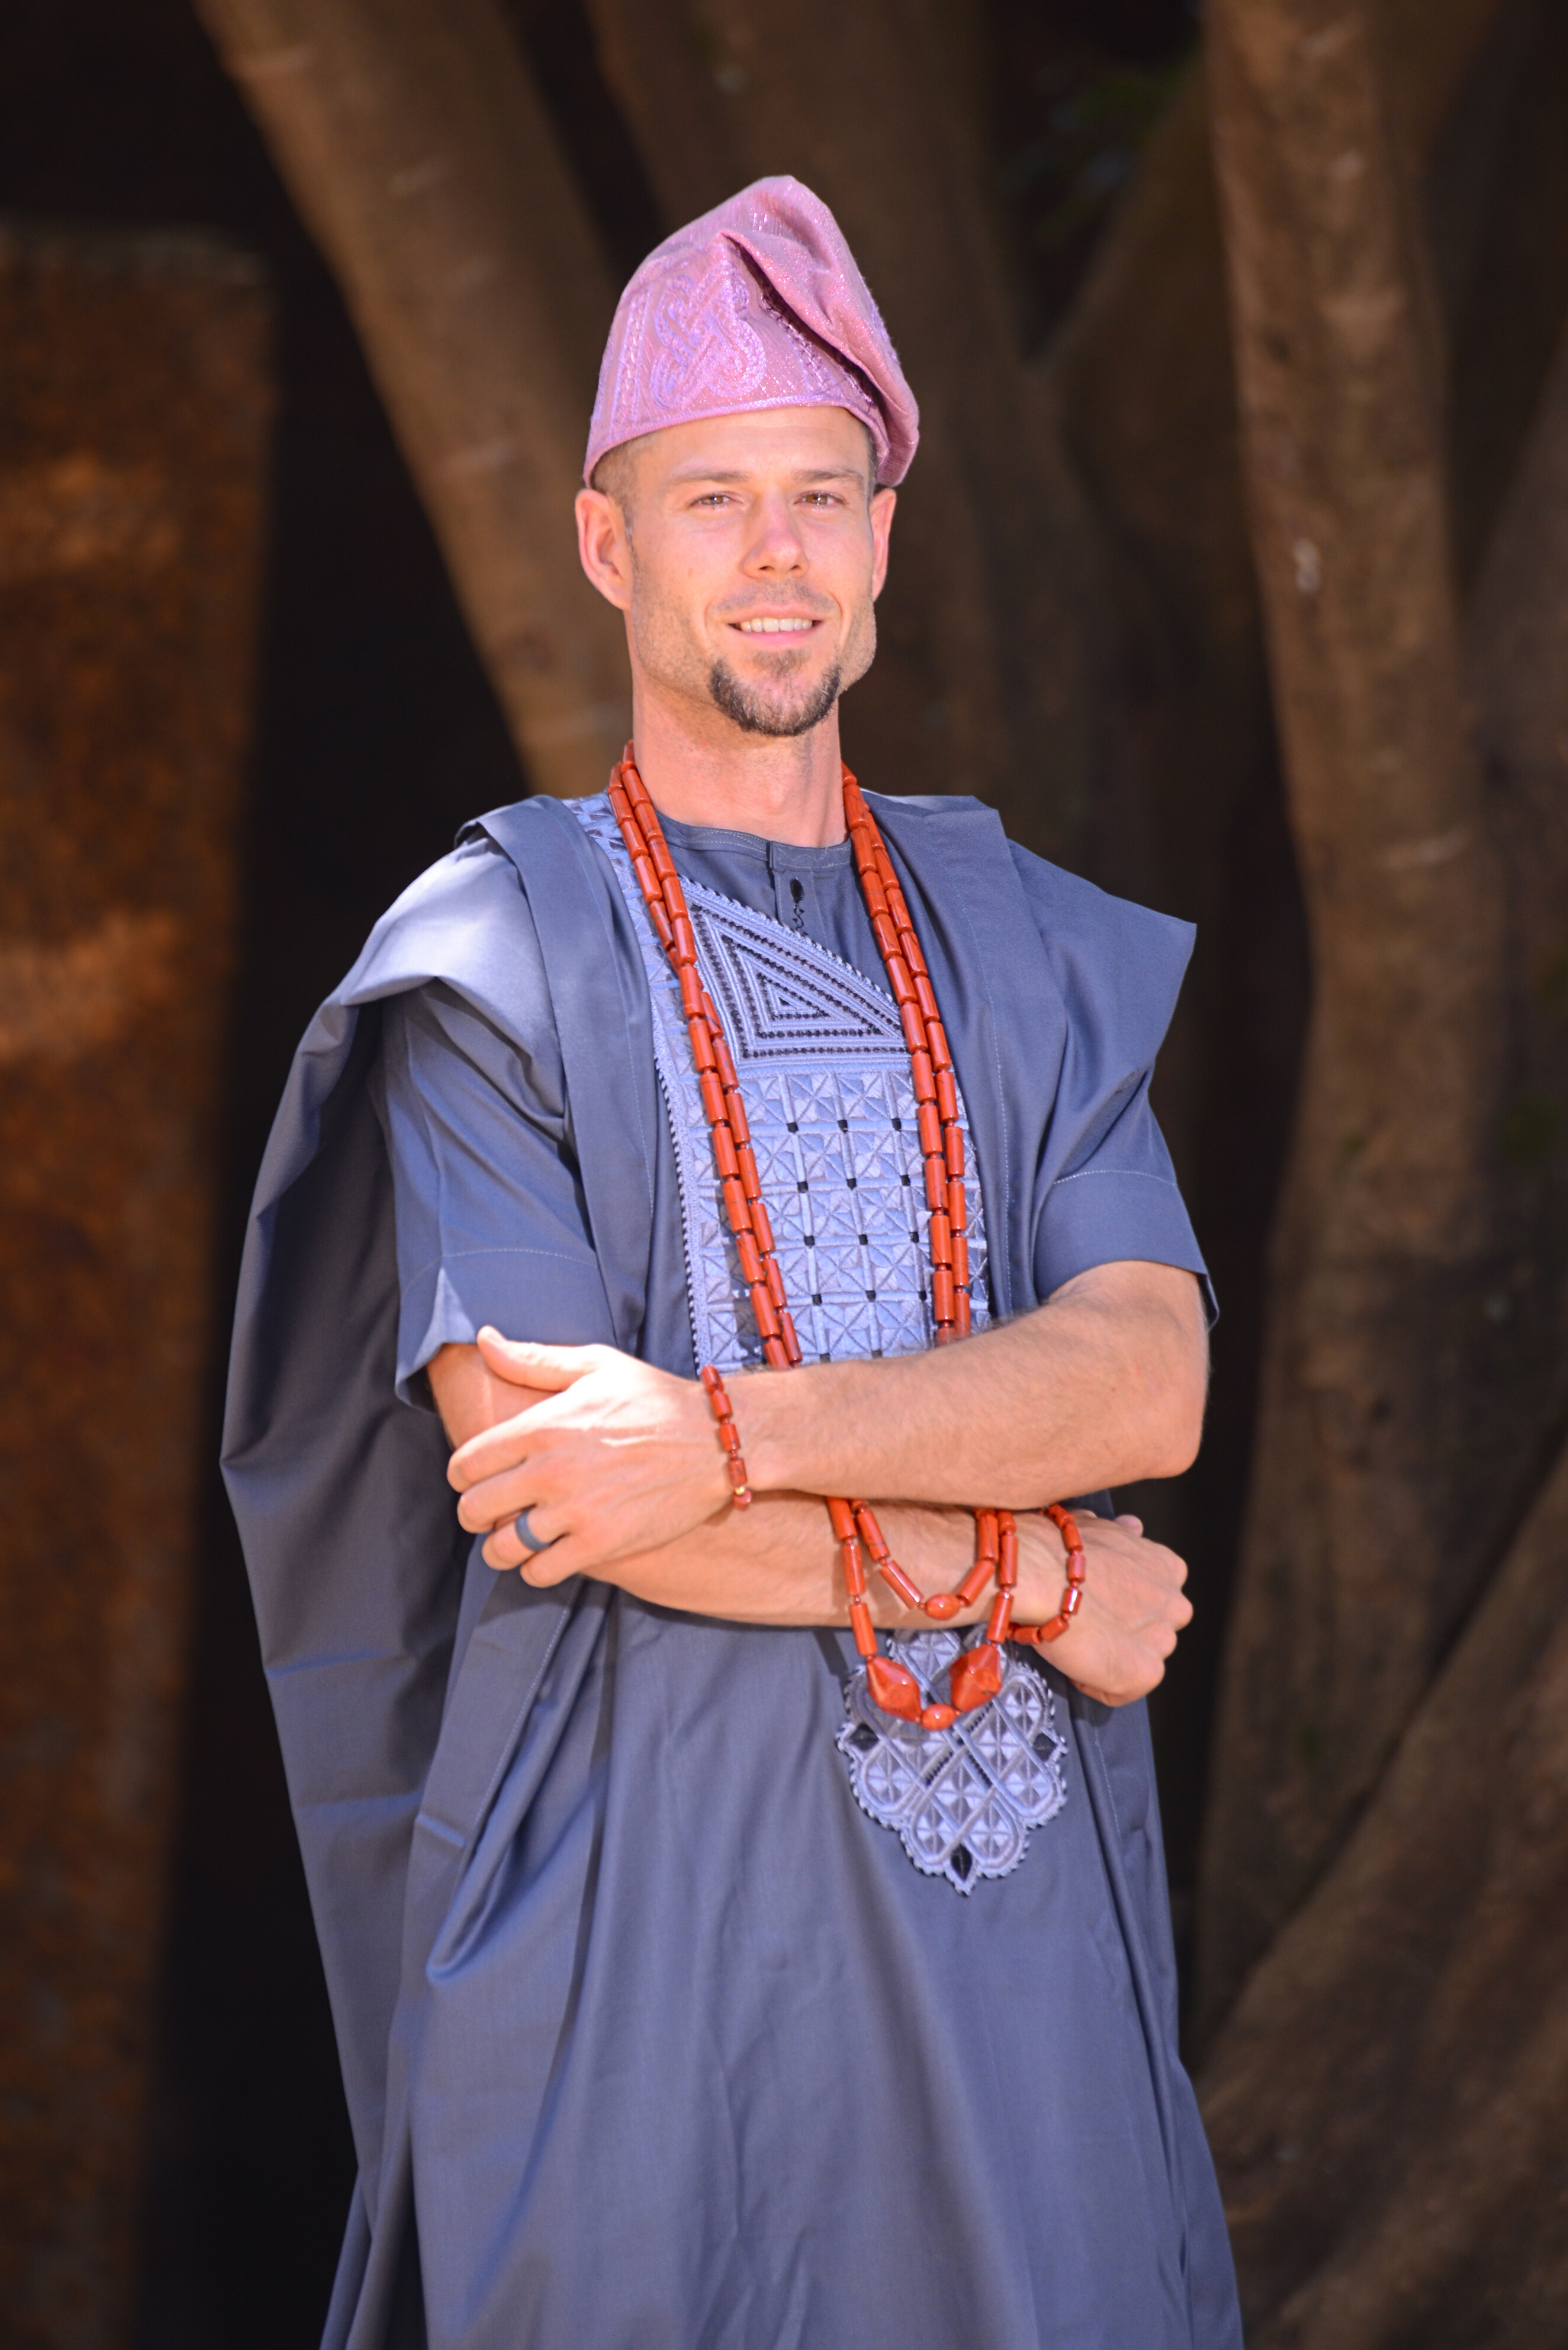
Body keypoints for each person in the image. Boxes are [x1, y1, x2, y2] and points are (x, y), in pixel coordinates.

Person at [225, 177, 1242, 2350]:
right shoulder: (494, 958)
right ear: (610, 544)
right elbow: (554, 1483)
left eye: (820, 493)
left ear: (881, 535)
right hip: (642, 1923)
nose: (774, 550)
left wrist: (720, 1433)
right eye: (713, 499)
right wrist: (1033, 1569)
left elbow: (1143, 1375)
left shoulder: (1025, 942)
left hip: (1017, 1934)